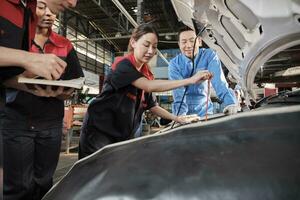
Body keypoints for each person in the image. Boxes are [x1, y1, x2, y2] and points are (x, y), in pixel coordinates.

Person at [79, 23, 212, 159]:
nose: (150, 51)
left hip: (123, 134)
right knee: (94, 173)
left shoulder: (147, 73)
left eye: (154, 47)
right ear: (133, 42)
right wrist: (190, 80)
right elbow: (148, 86)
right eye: (146, 45)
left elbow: (152, 106)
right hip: (99, 132)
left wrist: (177, 118)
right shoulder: (122, 65)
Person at [1, 0, 83, 199]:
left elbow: (76, 81)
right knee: (19, 186)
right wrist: (26, 63)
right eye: (41, 6)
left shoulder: (64, 45)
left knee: (44, 181)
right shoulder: (19, 35)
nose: (48, 14)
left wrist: (60, 91)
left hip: (49, 122)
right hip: (16, 119)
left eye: (50, 10)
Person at [168, 26, 238, 117]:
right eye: (184, 42)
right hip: (184, 112)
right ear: (179, 44)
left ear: (200, 41)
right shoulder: (174, 64)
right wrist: (180, 115)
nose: (188, 45)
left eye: (192, 41)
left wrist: (230, 102)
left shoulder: (209, 55)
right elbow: (178, 93)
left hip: (205, 111)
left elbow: (218, 81)